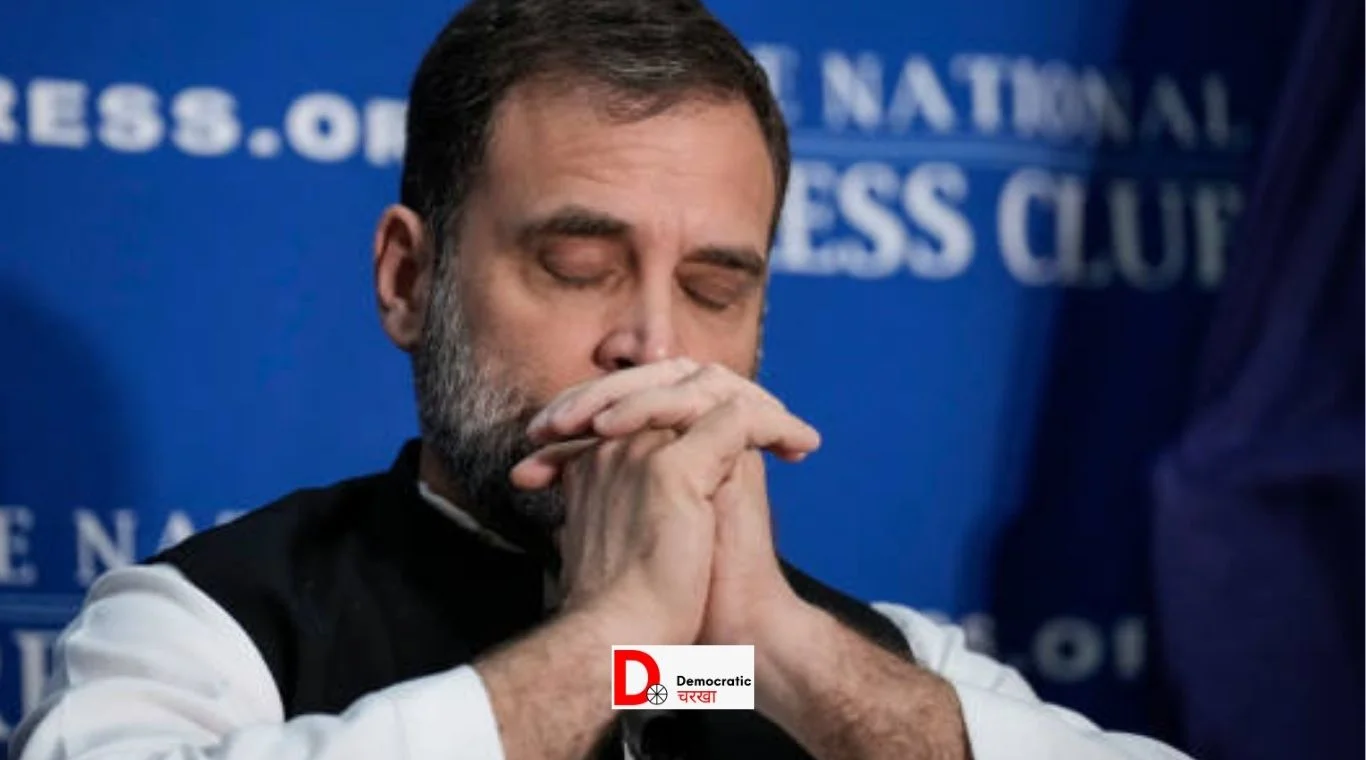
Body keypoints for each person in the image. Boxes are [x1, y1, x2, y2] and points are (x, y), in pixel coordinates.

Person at [12, 1, 1191, 758]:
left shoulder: (870, 656)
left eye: (715, 288)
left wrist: (779, 655)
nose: (651, 342)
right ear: (409, 280)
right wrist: (611, 636)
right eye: (577, 267)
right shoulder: (214, 624)